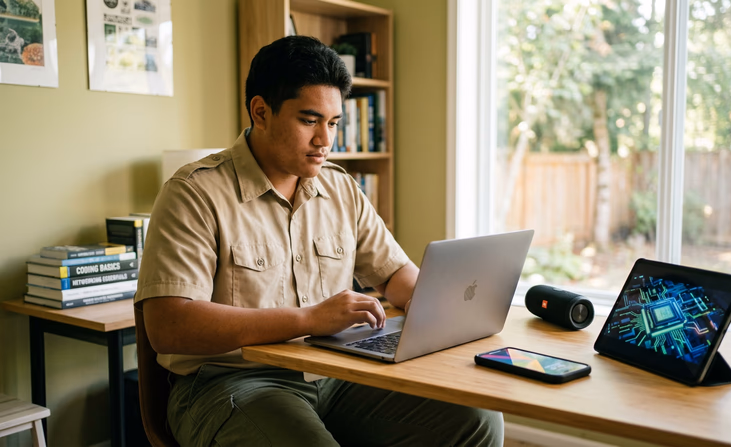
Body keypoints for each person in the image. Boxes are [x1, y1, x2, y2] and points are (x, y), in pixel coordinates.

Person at [136, 35, 503, 446]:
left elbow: (396, 274)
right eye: (309, 121)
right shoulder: (195, 193)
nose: (325, 141)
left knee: (478, 421)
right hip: (229, 384)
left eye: (333, 123)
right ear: (261, 112)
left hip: (338, 374)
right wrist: (308, 319)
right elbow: (169, 327)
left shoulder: (341, 188)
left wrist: (439, 306)